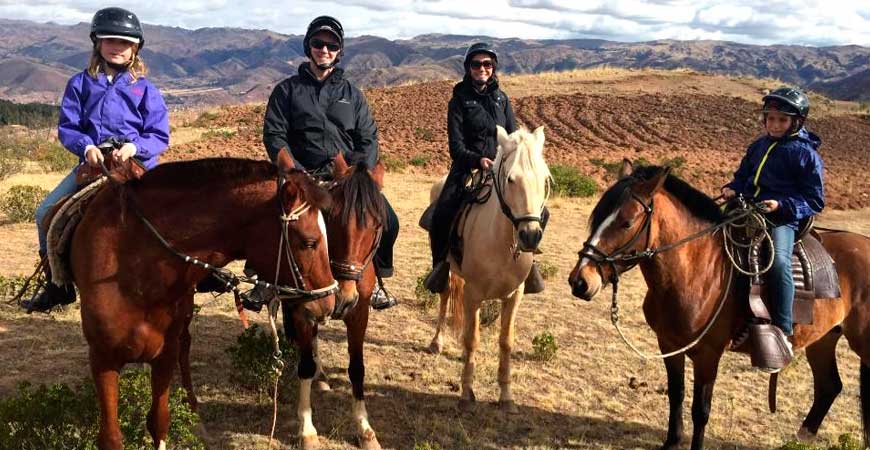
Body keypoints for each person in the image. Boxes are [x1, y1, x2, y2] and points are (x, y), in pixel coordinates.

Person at [243, 15, 398, 310]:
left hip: (345, 178)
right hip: (302, 175)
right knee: (271, 219)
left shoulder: (352, 94)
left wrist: (358, 173)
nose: (324, 50)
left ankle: (377, 280)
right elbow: (275, 135)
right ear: (308, 46)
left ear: (339, 51)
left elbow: (369, 137)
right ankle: (265, 280)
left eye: (331, 45)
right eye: (318, 43)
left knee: (389, 220)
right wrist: (295, 171)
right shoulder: (286, 91)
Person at [21, 7, 170, 313]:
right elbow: (68, 127)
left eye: (125, 42)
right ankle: (57, 285)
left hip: (136, 165)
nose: (117, 47)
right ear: (98, 44)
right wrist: (85, 145)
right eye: (110, 40)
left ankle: (195, 277)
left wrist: (134, 146)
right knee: (45, 212)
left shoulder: (146, 89)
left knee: (176, 214)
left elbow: (159, 135)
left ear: (135, 48)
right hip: (93, 165)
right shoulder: (80, 83)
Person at [423, 42, 547, 294]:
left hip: (502, 169)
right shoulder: (459, 100)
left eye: (487, 64)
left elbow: (513, 135)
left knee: (538, 210)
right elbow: (456, 145)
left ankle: (529, 261)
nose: (482, 68)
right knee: (443, 211)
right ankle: (441, 267)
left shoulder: (502, 99)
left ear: (493, 68)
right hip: (467, 168)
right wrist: (478, 159)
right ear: (468, 68)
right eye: (476, 64)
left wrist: (518, 158)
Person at [721, 86, 825, 369]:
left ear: (796, 122)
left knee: (779, 263)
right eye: (770, 118)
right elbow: (743, 177)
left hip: (783, 219)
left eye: (782, 120)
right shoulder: (758, 146)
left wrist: (781, 206)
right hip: (747, 211)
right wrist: (732, 187)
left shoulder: (805, 155)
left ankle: (783, 329)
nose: (775, 124)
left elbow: (814, 200)